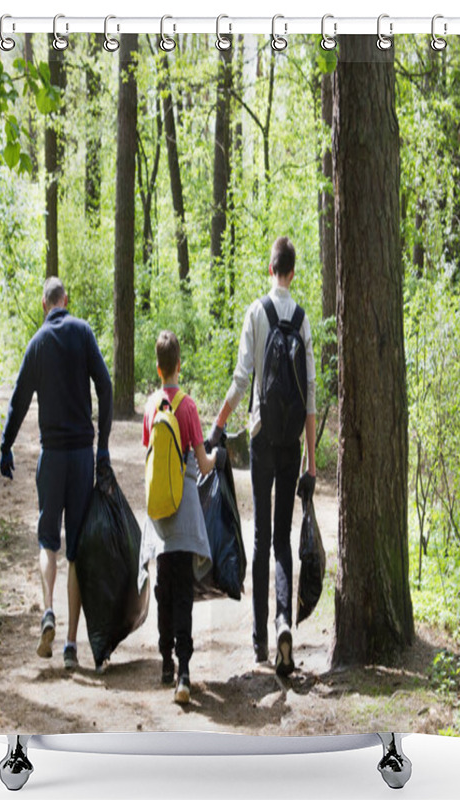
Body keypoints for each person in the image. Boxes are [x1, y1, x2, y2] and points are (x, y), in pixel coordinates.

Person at [208, 236, 317, 677]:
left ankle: (257, 641)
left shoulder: (256, 312)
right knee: (283, 539)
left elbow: (240, 380)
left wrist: (217, 424)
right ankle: (283, 622)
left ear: (270, 269)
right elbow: (309, 394)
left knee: (260, 538)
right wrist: (312, 462)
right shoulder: (304, 320)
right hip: (291, 442)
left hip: (259, 436)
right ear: (292, 272)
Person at [0, 277, 112, 671]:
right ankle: (69, 645)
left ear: (45, 305)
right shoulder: (83, 333)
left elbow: (18, 400)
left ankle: (47, 610)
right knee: (77, 551)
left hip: (51, 458)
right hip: (82, 456)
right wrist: (104, 445)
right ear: (66, 300)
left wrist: (6, 445)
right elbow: (106, 386)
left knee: (48, 542)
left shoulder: (37, 344)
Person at [143, 330, 221, 704]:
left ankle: (164, 663)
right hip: (185, 513)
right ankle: (185, 673)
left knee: (163, 590)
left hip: (159, 517)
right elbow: (203, 464)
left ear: (158, 368)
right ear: (179, 366)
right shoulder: (188, 407)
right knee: (183, 594)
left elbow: (152, 462)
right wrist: (217, 457)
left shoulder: (150, 406)